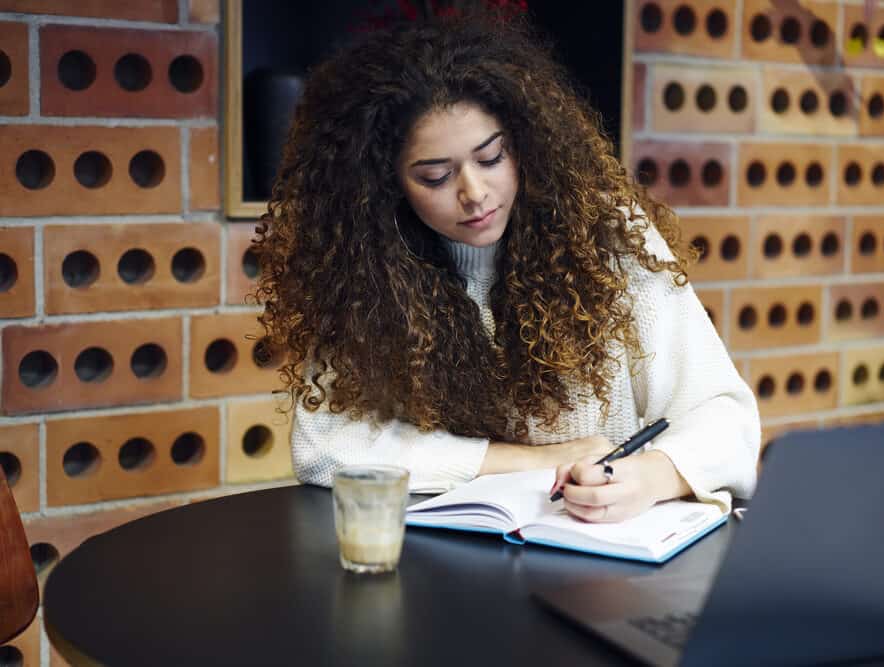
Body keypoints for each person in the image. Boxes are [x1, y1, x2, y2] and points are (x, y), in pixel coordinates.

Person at [253, 11, 760, 523]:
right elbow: (324, 446)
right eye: (434, 176)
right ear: (387, 186)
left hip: (605, 560)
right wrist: (533, 461)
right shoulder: (368, 273)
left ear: (524, 142)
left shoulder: (607, 235)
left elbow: (725, 416)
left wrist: (653, 476)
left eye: (491, 158)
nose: (473, 194)